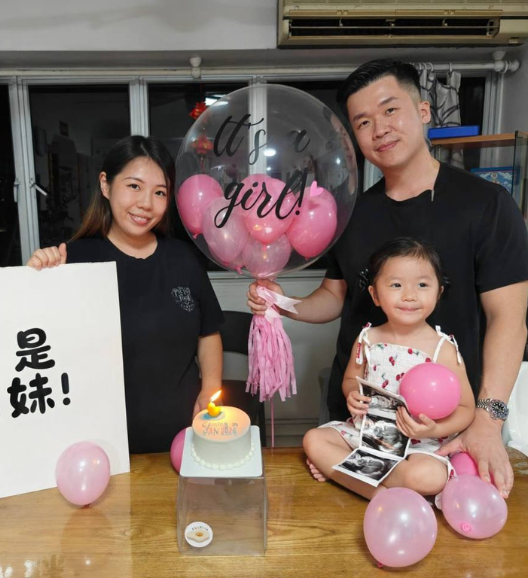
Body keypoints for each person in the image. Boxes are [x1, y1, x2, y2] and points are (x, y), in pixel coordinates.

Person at [248, 59, 528, 498]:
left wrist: (488, 422)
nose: (379, 129)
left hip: (448, 428)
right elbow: (334, 296)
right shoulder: (351, 214)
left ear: (423, 110)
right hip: (358, 420)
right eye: (363, 122)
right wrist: (282, 303)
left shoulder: (487, 205)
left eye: (390, 110)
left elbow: (509, 319)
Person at [27, 135, 224, 454]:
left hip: (182, 437)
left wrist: (210, 387)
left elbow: (208, 333)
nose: (146, 203)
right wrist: (36, 278)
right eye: (134, 186)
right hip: (98, 445)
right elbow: (41, 344)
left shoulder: (184, 258)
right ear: (105, 185)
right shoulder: (73, 260)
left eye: (159, 192)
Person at [303, 238, 475, 499]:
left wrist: (434, 430)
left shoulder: (443, 349)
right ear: (375, 295)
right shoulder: (367, 338)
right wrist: (352, 394)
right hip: (368, 435)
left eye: (422, 285)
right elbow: (351, 379)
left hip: (418, 446)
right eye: (396, 285)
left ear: (439, 292)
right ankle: (375, 491)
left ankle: (348, 473)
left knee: (428, 477)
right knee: (313, 440)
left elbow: (466, 409)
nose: (409, 295)